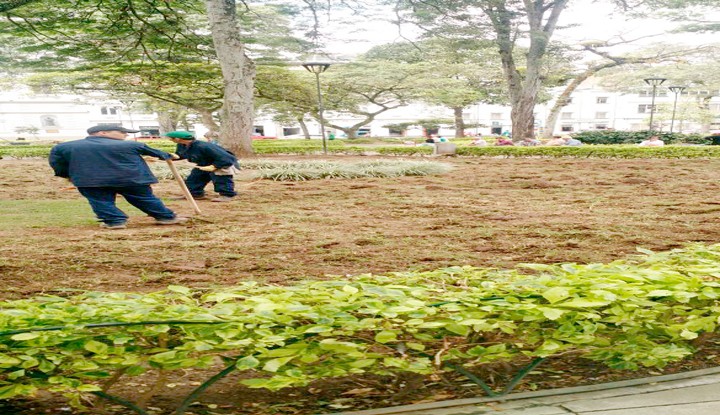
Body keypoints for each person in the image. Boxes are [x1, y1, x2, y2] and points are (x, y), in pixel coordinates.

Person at [49, 125, 188, 229]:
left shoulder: (64, 147)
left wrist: (67, 175)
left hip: (91, 180)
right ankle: (165, 217)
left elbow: (57, 163)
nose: (125, 135)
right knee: (145, 199)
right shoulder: (133, 145)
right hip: (132, 179)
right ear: (102, 133)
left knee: (100, 201)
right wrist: (168, 155)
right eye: (122, 132)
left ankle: (114, 221)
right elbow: (158, 153)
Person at [164, 131, 239, 202]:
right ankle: (195, 194)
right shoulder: (182, 145)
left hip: (222, 163)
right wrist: (168, 157)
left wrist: (214, 166)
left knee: (221, 178)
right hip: (204, 163)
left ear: (177, 139)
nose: (170, 139)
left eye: (171, 138)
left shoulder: (203, 146)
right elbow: (181, 155)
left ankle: (227, 195)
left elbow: (227, 158)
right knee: (195, 178)